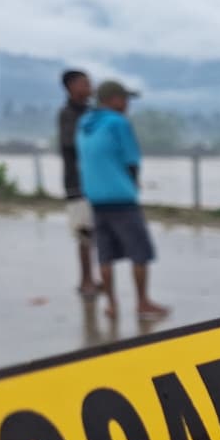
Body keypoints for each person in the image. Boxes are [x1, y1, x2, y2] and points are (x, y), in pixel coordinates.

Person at [76, 80, 170, 320]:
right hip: (121, 199)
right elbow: (131, 160)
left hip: (96, 199)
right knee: (140, 252)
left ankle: (111, 305)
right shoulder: (118, 123)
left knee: (105, 255)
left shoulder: (85, 124)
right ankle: (142, 303)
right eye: (124, 99)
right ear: (113, 99)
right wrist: (134, 181)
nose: (127, 104)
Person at [59, 69, 100, 295]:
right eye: (85, 84)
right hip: (77, 182)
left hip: (95, 181)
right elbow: (70, 144)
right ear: (71, 87)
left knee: (95, 232)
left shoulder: (90, 112)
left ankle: (92, 277)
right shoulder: (67, 114)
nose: (89, 88)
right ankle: (86, 280)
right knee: (84, 232)